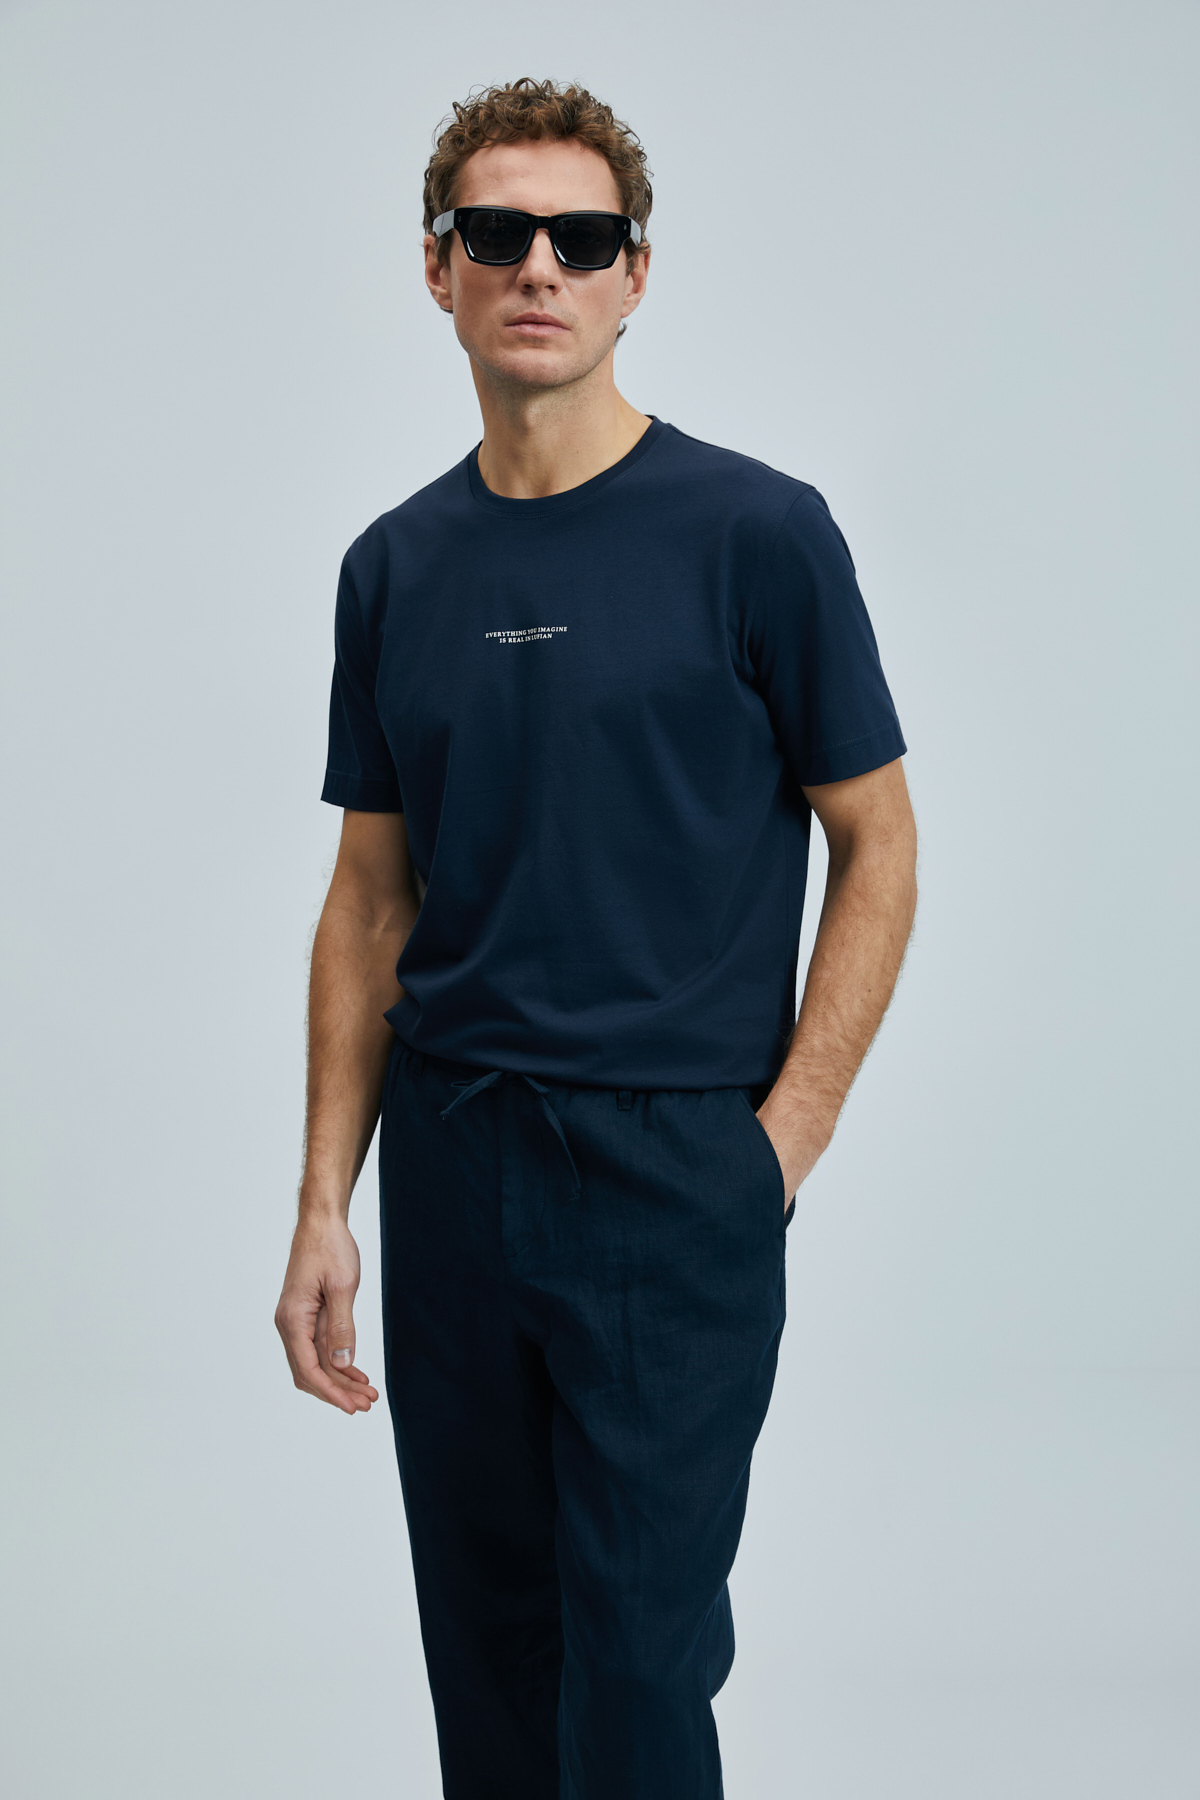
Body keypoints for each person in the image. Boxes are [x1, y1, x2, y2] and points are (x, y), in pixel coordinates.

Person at [275, 75, 918, 1800]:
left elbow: (878, 842)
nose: (538, 266)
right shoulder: (394, 567)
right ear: (439, 269)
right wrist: (328, 1200)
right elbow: (371, 900)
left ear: (638, 273)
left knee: (635, 1672)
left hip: (674, 1170)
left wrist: (775, 1148)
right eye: (497, 233)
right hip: (454, 1160)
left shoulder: (757, 534)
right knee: (492, 1665)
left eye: (581, 236)